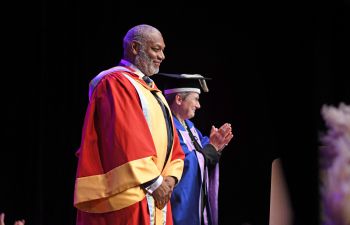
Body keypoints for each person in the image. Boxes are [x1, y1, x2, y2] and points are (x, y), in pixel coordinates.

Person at [73, 24, 185, 225]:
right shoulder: (115, 82)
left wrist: (170, 179)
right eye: (156, 49)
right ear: (135, 48)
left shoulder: (153, 90)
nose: (162, 57)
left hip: (156, 196)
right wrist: (156, 182)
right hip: (128, 197)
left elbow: (172, 141)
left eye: (163, 50)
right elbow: (125, 137)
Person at [154, 73, 234, 225]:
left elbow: (201, 150)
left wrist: (215, 144)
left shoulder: (188, 126)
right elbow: (183, 163)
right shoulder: (167, 128)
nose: (199, 105)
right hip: (175, 205)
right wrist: (212, 148)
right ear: (179, 99)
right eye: (196, 99)